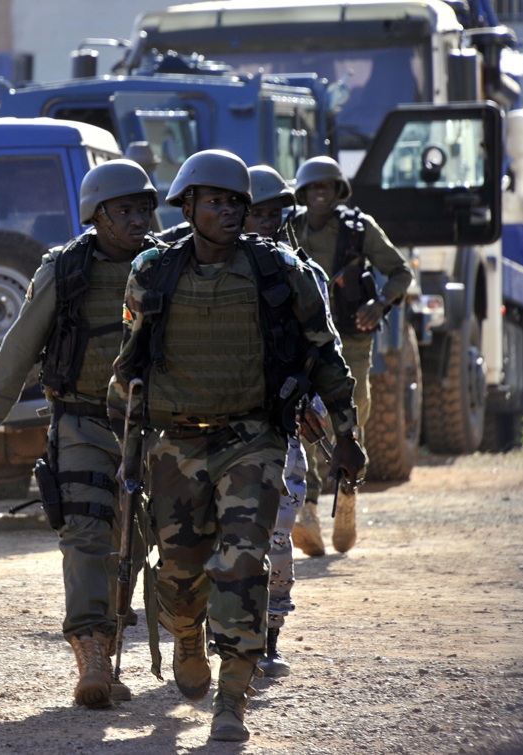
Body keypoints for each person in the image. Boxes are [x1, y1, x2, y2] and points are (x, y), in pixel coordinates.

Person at [108, 150, 364, 742]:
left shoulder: (280, 272)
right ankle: (187, 636)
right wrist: (126, 450)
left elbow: (325, 353)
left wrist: (347, 434)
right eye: (215, 201)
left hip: (253, 438)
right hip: (176, 444)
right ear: (188, 207)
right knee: (180, 573)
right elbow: (130, 366)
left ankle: (232, 698)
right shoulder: (152, 272)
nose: (229, 211)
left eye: (236, 202)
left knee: (243, 561)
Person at [0, 159, 161, 710]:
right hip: (82, 422)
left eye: (145, 208)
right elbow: (19, 348)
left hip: (154, 428)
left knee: (136, 543)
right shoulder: (66, 270)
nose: (138, 219)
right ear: (96, 215)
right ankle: (92, 655)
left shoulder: (168, 265)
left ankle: (115, 642)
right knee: (86, 536)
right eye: (125, 209)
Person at [285, 156, 412, 556]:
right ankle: (308, 510)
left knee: (351, 416)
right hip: (305, 337)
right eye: (312, 188)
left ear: (338, 191)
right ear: (302, 193)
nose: (319, 194)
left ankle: (347, 496)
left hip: (351, 339)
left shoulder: (360, 229)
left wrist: (380, 303)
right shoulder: (290, 229)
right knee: (304, 416)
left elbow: (401, 272)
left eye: (326, 186)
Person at [243, 165, 335, 678]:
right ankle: (223, 635)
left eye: (275, 212)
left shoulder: (303, 273)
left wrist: (318, 408)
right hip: (216, 424)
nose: (266, 221)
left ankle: (270, 635)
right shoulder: (202, 269)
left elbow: (323, 351)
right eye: (256, 212)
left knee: (277, 535)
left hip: (280, 424)